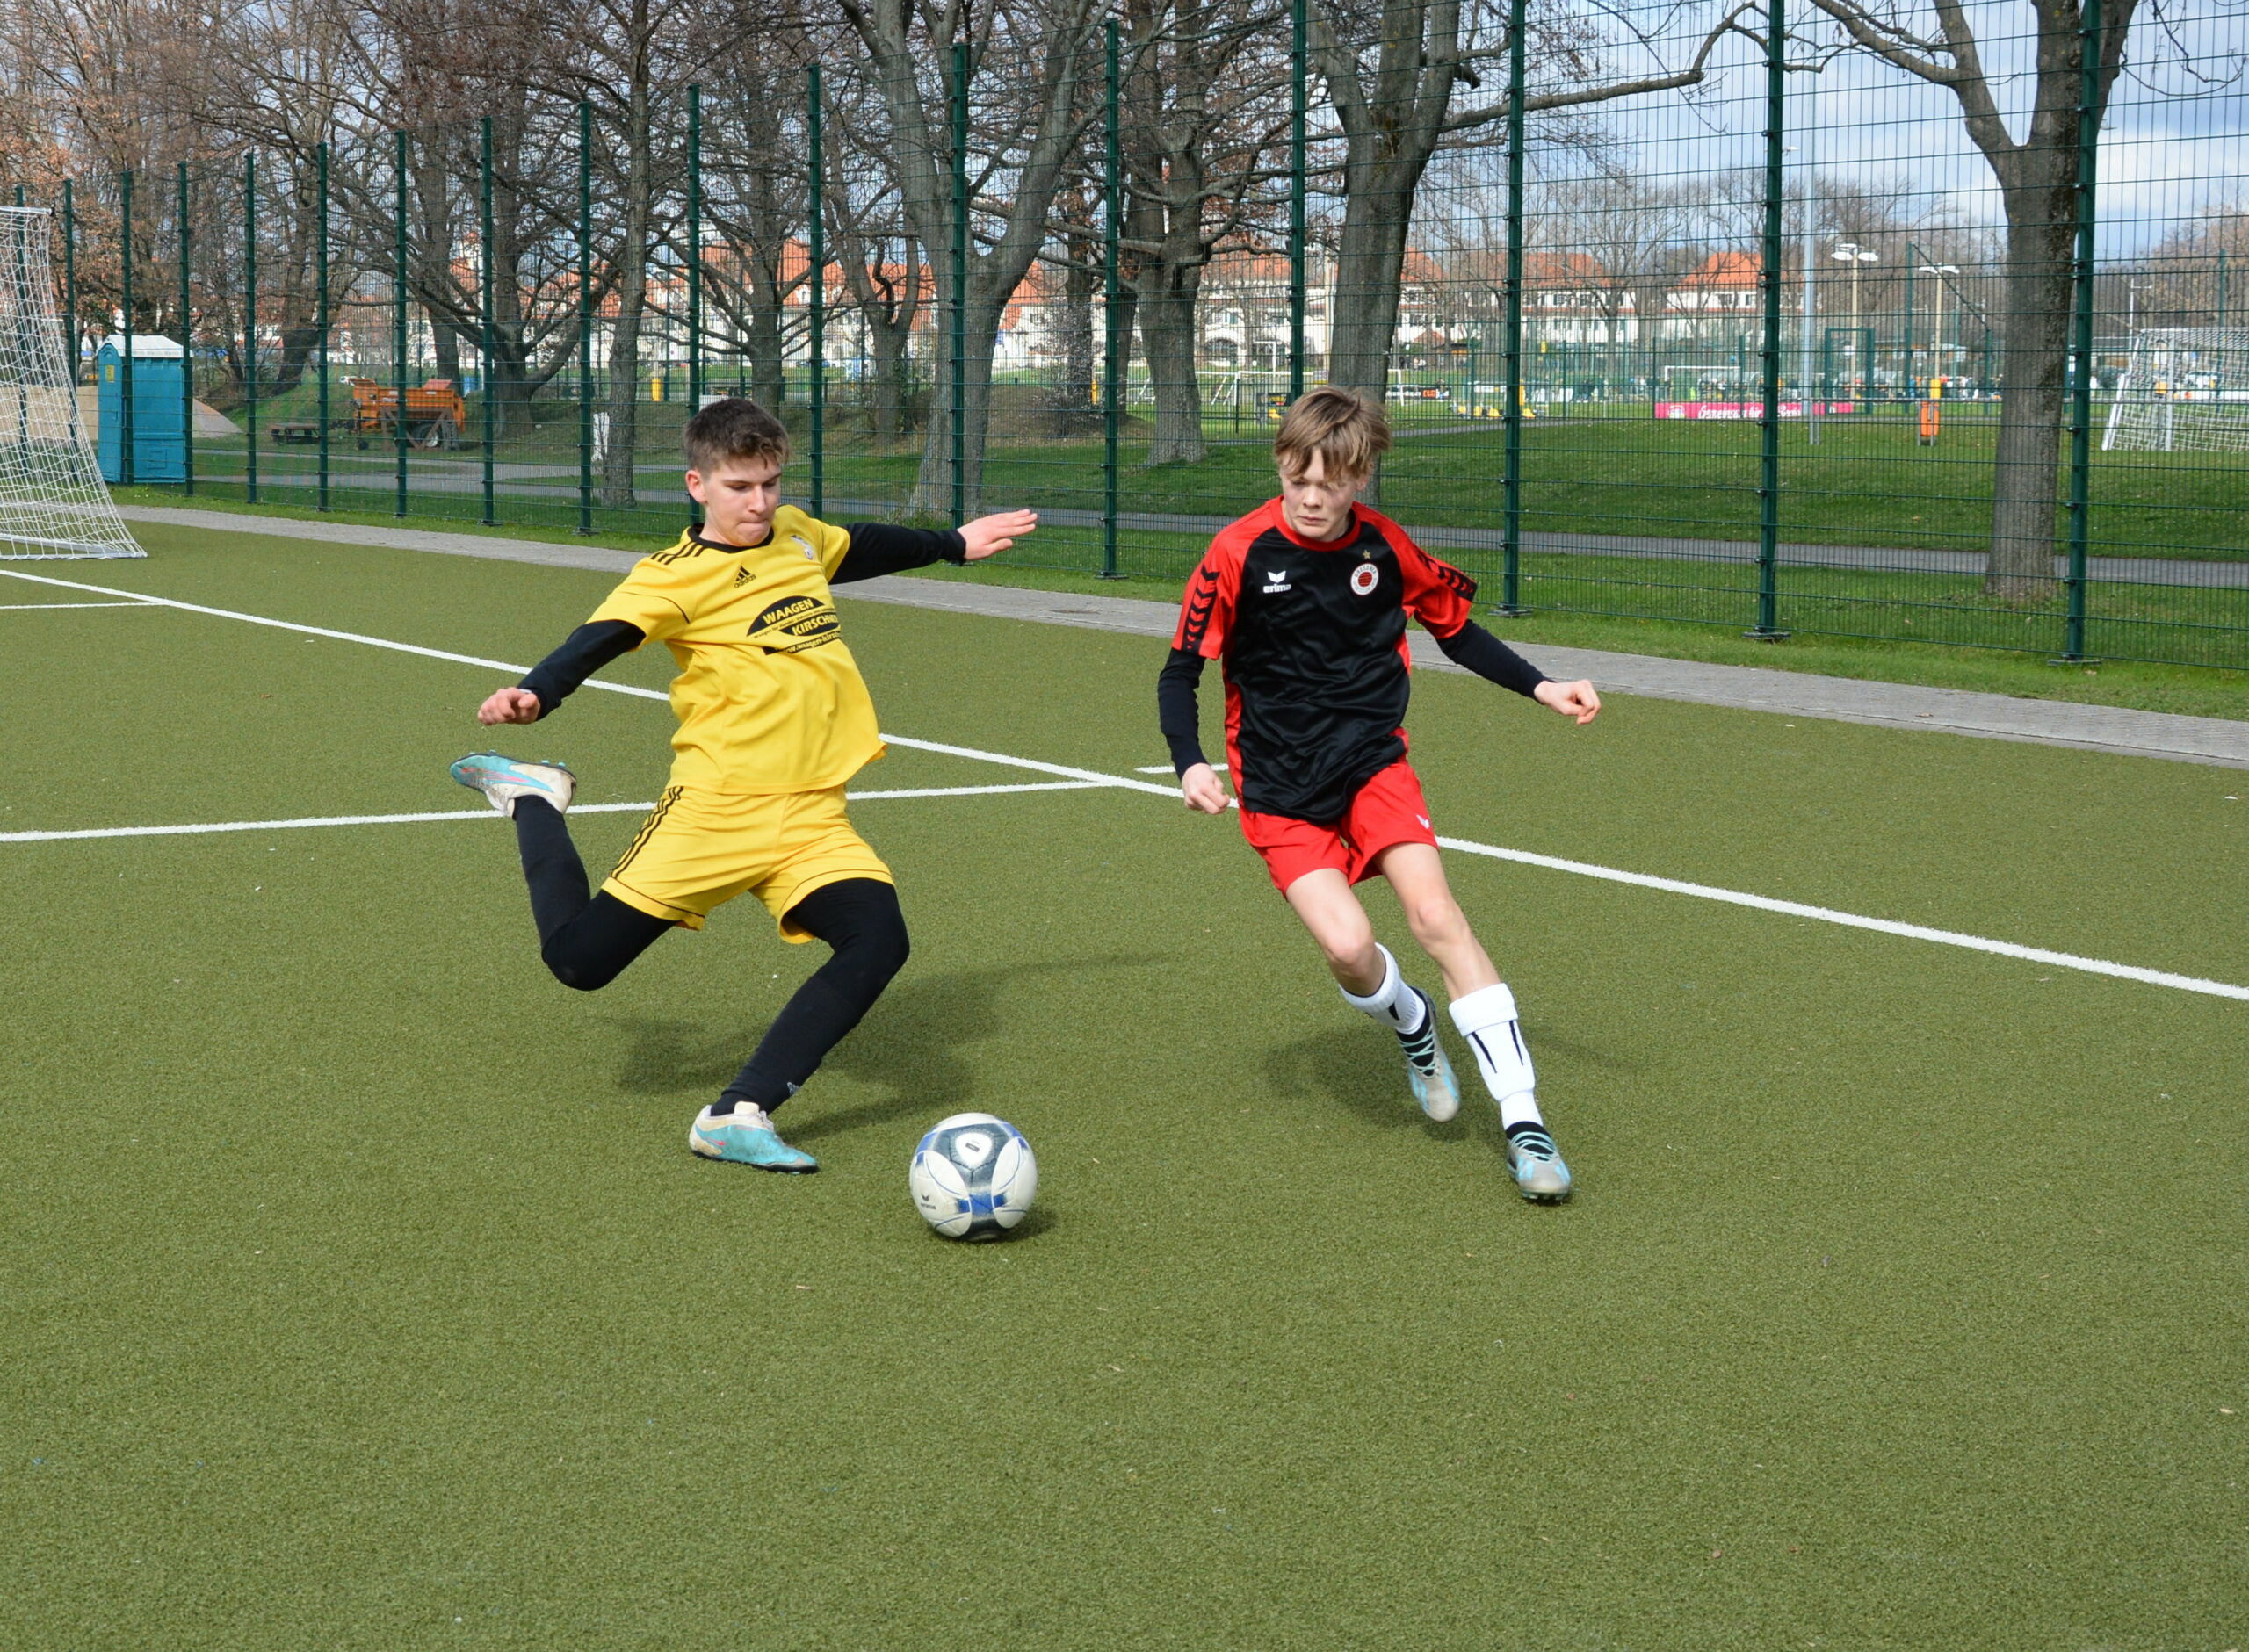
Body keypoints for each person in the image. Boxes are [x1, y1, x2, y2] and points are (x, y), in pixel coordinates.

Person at [450, 396, 1036, 1172]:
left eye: (770, 483)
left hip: (813, 814)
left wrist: (952, 543)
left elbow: (857, 544)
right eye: (739, 487)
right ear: (697, 484)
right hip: (717, 810)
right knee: (578, 964)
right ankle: (533, 796)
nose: (759, 503)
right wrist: (537, 692)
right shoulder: (672, 578)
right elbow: (596, 640)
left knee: (878, 939)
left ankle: (737, 1112)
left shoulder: (795, 536)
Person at [1156, 386, 1601, 1201]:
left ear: (1360, 478)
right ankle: (1412, 1021)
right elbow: (1180, 669)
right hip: (1279, 784)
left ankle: (1524, 1122)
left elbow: (1456, 631)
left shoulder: (1385, 547)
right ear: (1280, 467)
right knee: (1349, 949)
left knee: (1436, 916)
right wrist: (1189, 761)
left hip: (1372, 765)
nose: (1311, 497)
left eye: (1329, 483)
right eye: (1297, 479)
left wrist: (1543, 686)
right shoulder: (1236, 552)